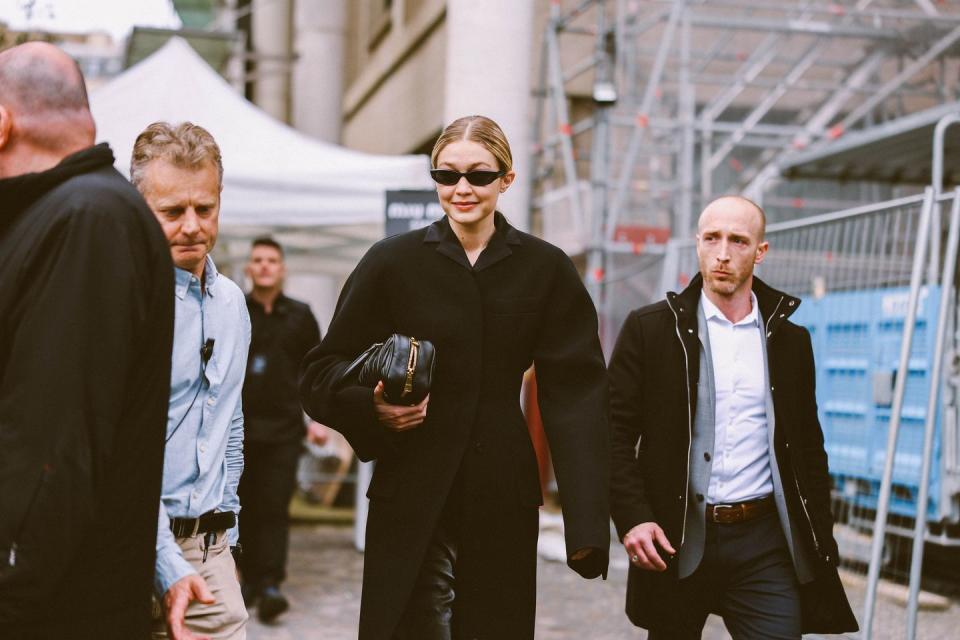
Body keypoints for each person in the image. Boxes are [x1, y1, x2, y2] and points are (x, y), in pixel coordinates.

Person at [300, 115, 610, 640]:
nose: (461, 188)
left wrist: (586, 522)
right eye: (447, 176)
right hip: (411, 486)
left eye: (478, 175)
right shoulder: (391, 262)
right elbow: (320, 373)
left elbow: (576, 391)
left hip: (501, 491)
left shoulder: (545, 268)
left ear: (506, 180)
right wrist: (373, 411)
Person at [608, 195, 858, 638]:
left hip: (764, 543)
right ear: (697, 243)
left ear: (760, 252)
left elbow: (807, 448)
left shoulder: (790, 341)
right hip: (678, 538)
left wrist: (821, 536)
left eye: (738, 241)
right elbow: (612, 433)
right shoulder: (650, 329)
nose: (723, 253)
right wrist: (632, 517)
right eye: (712, 239)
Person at [0, 43, 174, 637]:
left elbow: (51, 453)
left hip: (58, 612)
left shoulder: (87, 219)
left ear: (2, 123)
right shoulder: (67, 213)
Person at [131, 121, 251, 640]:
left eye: (205, 208)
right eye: (172, 211)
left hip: (210, 552)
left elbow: (229, 423)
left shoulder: (232, 304)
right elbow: (116, 447)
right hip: (129, 546)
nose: (192, 226)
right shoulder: (122, 300)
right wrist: (165, 561)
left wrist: (228, 542)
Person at [239, 236, 327, 621]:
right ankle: (245, 580)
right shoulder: (234, 309)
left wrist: (318, 420)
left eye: (271, 260)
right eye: (257, 260)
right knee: (239, 507)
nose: (263, 266)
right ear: (248, 268)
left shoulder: (300, 315)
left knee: (274, 507)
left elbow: (316, 370)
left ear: (282, 268)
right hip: (236, 432)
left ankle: (271, 583)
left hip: (284, 431)